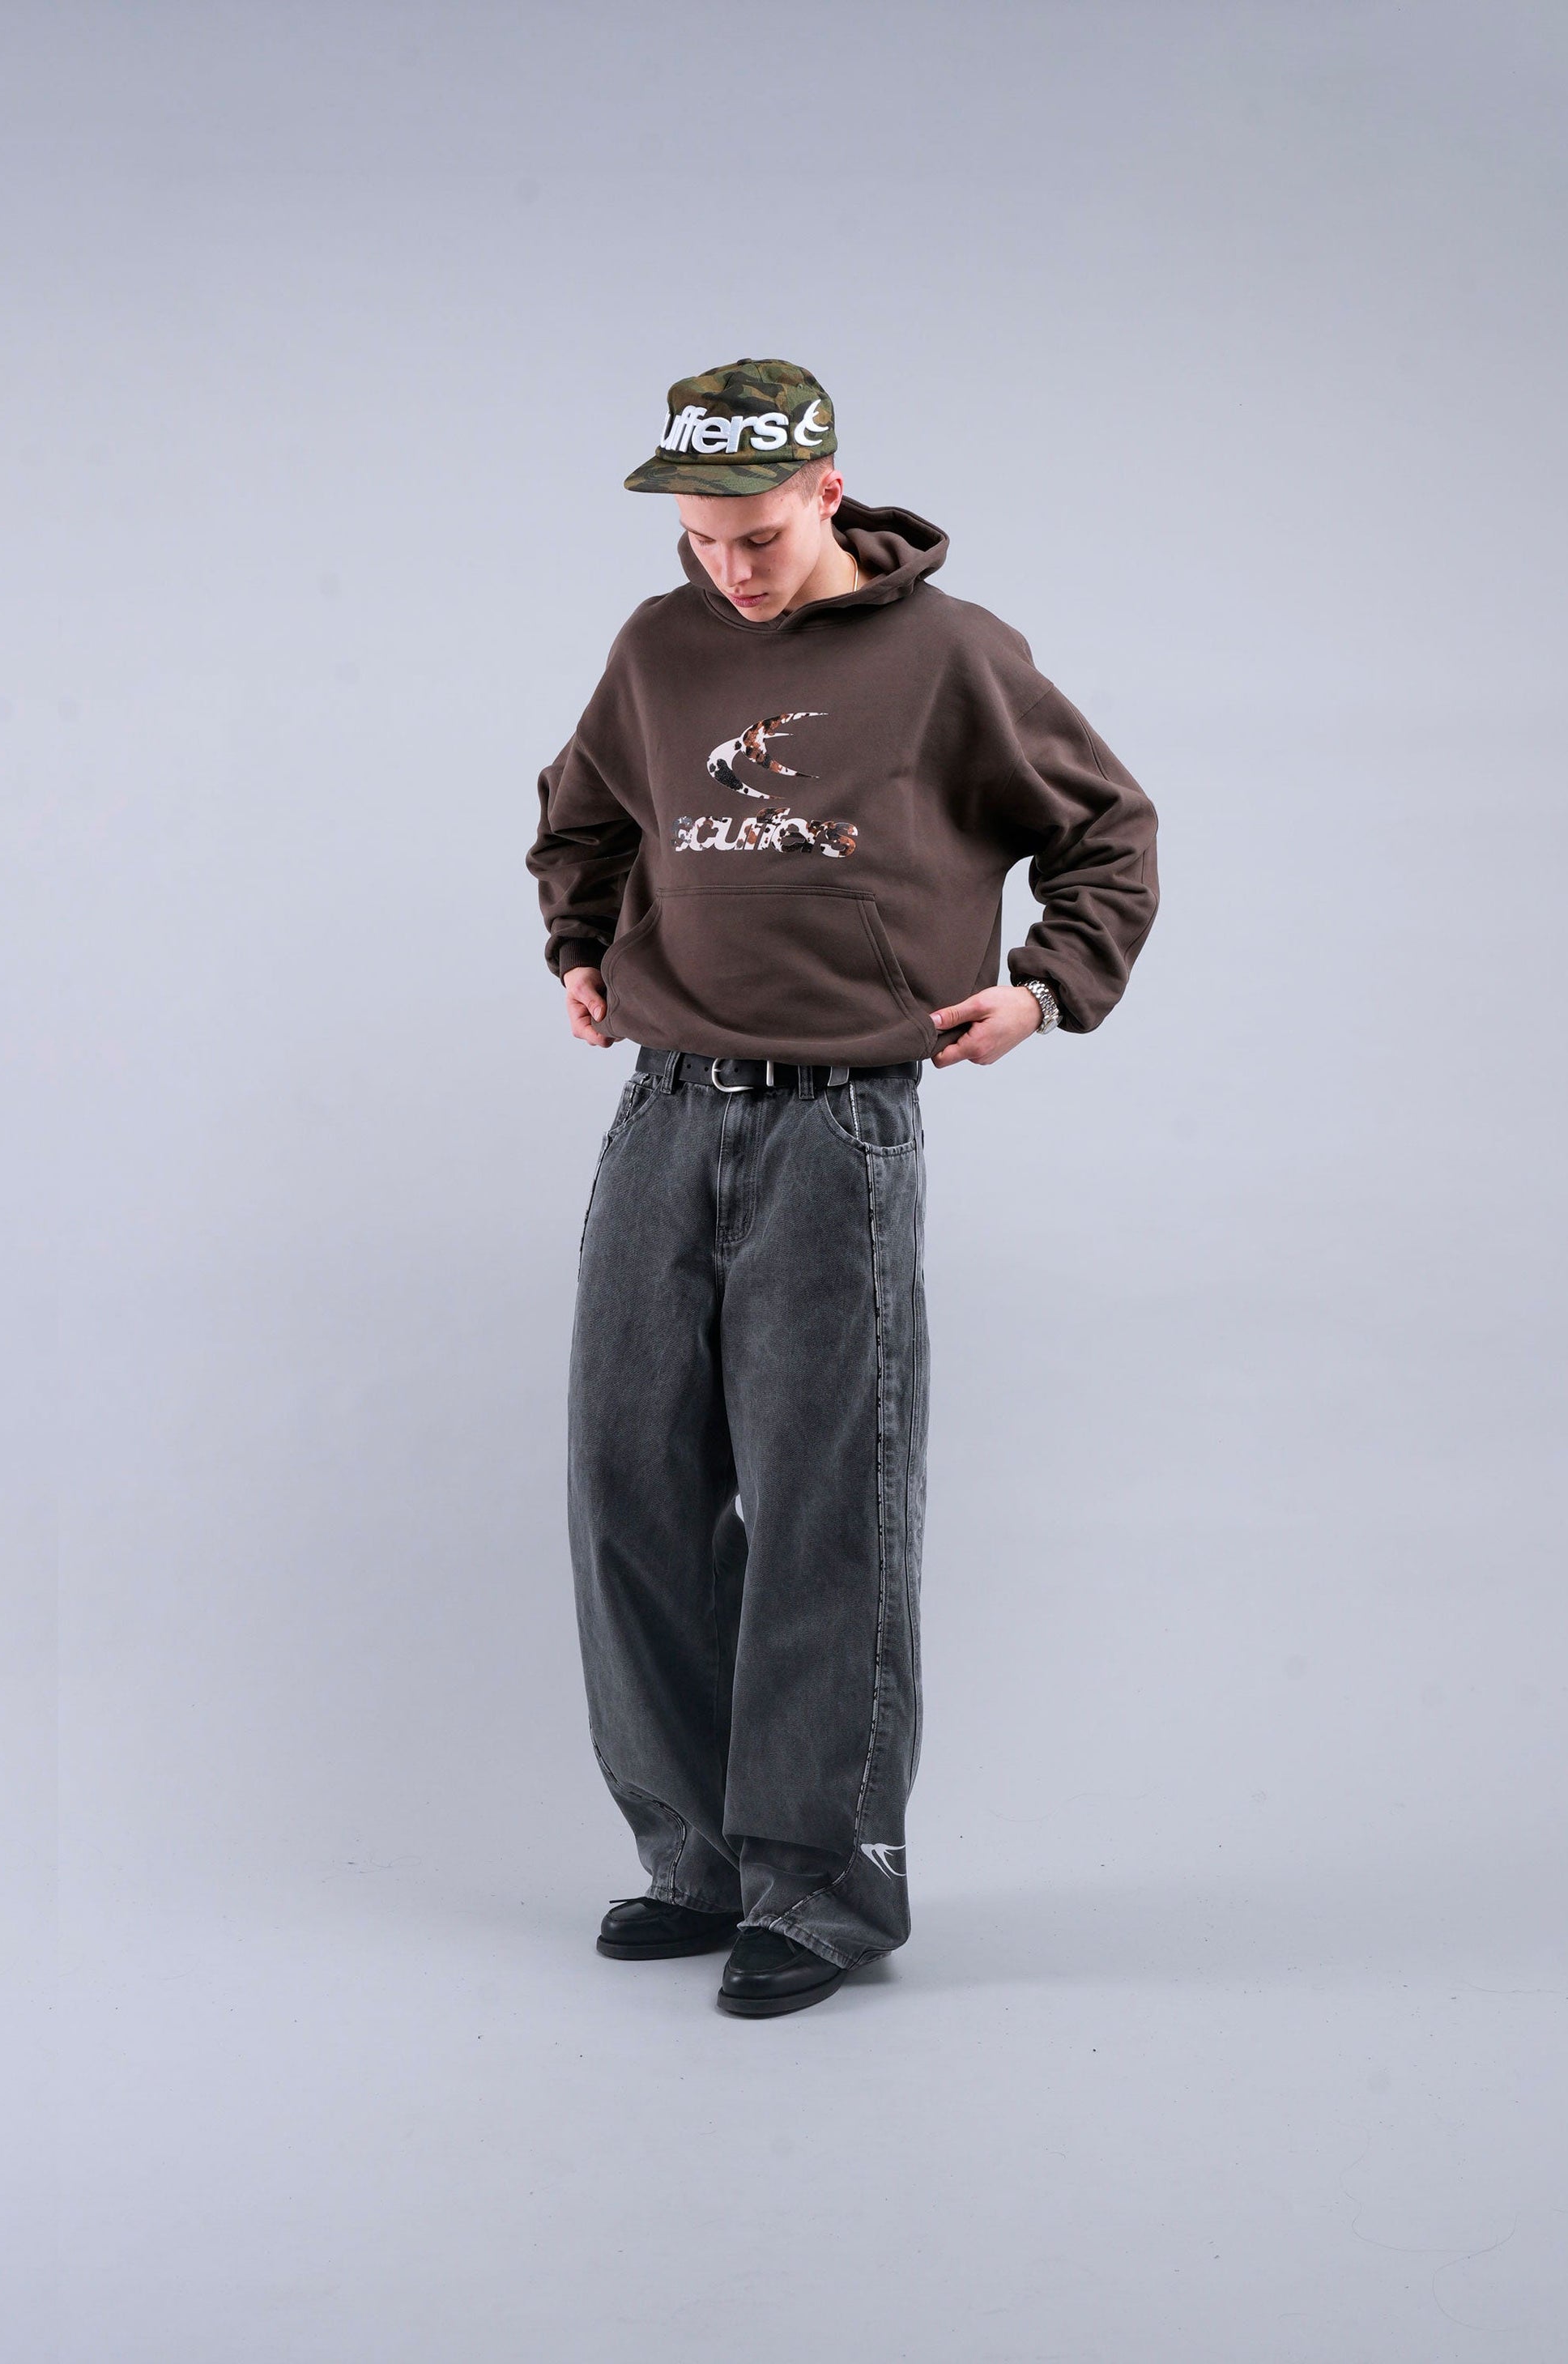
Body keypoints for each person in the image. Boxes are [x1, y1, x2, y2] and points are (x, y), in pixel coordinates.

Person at [526, 357, 1159, 2017]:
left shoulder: (949, 655)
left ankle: (819, 1885)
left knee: (823, 1501)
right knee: (630, 1486)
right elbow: (580, 819)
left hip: (836, 1128)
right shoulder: (657, 647)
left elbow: (1105, 827)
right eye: (700, 539)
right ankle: (693, 1856)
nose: (729, 570)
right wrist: (579, 947)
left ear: (825, 490)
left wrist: (1044, 989)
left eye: (756, 535)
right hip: (664, 1113)